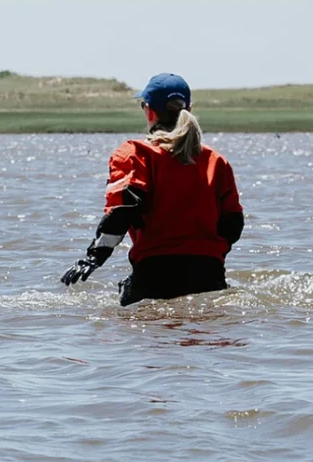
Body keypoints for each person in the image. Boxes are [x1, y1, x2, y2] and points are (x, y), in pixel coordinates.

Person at [60, 73, 244, 306]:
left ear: (148, 110)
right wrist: (208, 256)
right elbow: (233, 225)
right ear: (189, 109)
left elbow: (123, 211)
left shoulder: (135, 154)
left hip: (154, 276)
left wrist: (92, 259)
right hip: (210, 275)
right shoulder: (216, 161)